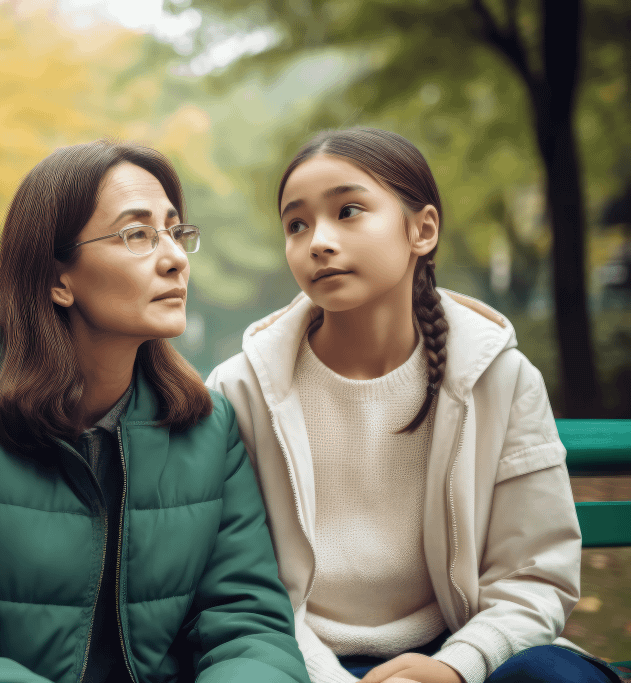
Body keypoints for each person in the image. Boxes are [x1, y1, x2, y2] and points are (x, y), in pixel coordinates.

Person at [0, 140, 309, 683]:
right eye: (137, 234)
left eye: (176, 232)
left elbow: (248, 625)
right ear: (57, 279)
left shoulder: (206, 425)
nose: (175, 258)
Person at [206, 128, 619, 683]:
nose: (317, 242)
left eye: (348, 211)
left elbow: (535, 577)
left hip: (456, 647)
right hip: (296, 657)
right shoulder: (242, 390)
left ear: (421, 229)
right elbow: (238, 590)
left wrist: (452, 669)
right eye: (296, 224)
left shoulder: (499, 377)